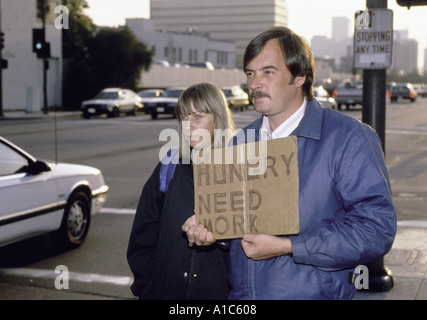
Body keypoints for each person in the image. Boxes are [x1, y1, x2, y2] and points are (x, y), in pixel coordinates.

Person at [182, 27, 397, 300]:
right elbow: (240, 224)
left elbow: (376, 230)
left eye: (268, 72)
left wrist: (288, 246)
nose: (255, 84)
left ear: (300, 76)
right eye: (250, 73)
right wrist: (214, 229)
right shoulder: (240, 143)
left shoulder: (349, 138)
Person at [127, 82, 236, 300]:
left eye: (198, 117)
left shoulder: (239, 168)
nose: (189, 125)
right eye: (184, 117)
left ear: (218, 119)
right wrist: (146, 287)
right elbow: (143, 234)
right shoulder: (170, 166)